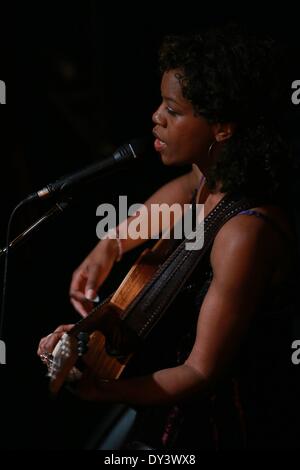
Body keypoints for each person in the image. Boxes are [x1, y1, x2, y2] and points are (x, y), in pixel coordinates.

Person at [38, 24, 298, 450]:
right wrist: (113, 244)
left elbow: (200, 373)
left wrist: (103, 390)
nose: (156, 117)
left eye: (174, 111)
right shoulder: (208, 178)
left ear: (223, 127)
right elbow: (179, 191)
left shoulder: (244, 235)